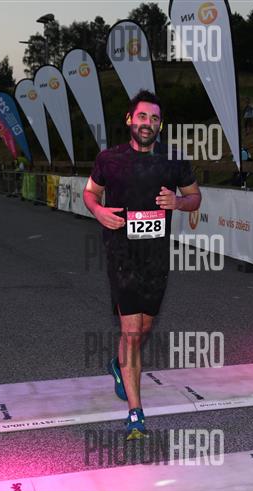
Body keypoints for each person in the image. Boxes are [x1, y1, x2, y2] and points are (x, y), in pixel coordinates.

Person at [83, 90, 201, 441]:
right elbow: (90, 193)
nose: (148, 123)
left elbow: (195, 197)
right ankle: (136, 414)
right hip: (122, 257)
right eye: (142, 116)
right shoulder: (109, 159)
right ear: (129, 120)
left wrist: (178, 202)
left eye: (154, 118)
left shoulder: (173, 160)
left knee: (142, 329)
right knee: (133, 333)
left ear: (160, 125)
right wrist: (99, 211)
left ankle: (117, 365)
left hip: (156, 259)